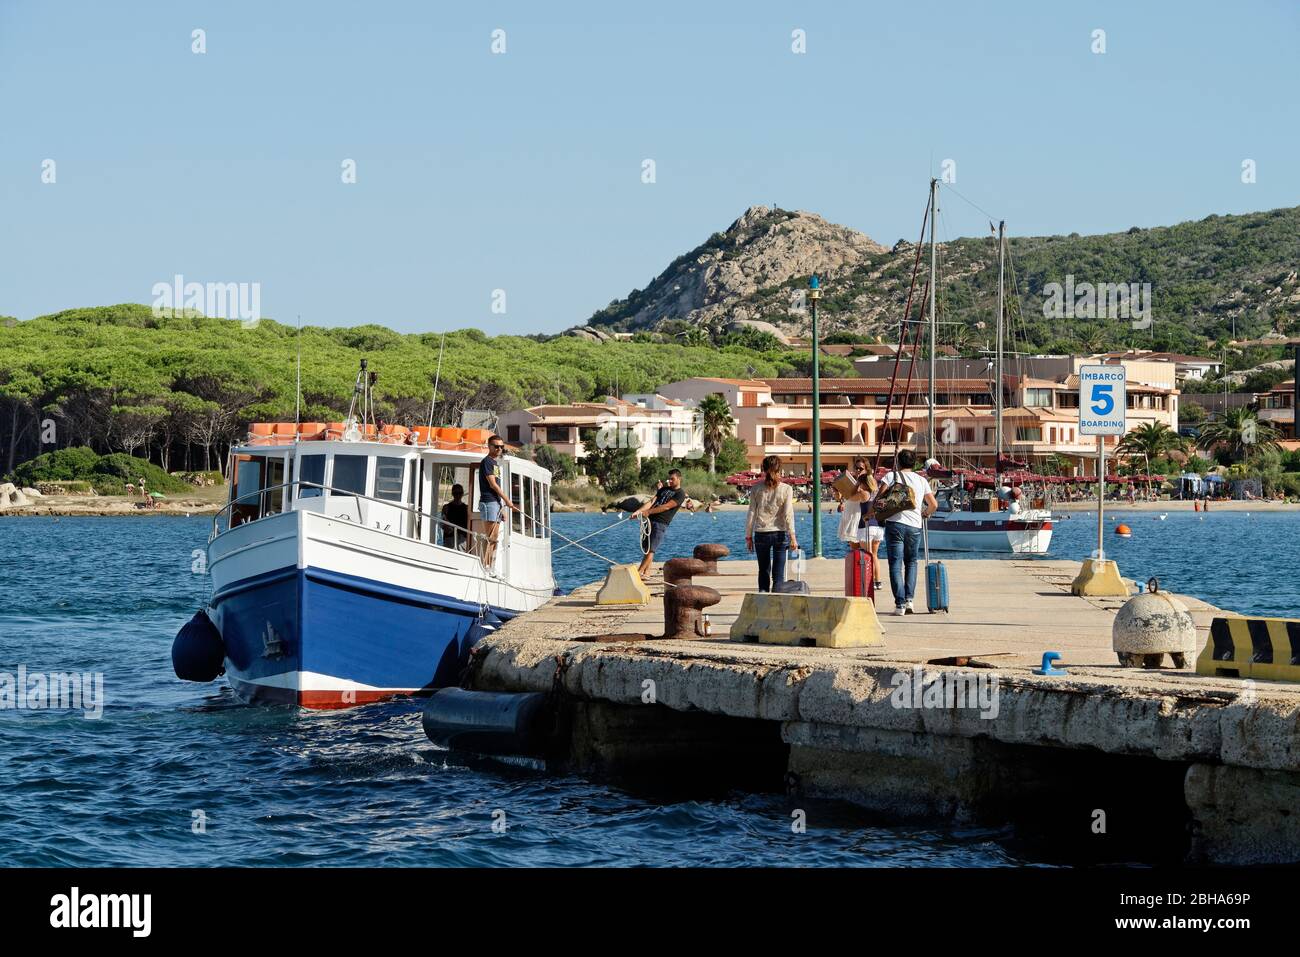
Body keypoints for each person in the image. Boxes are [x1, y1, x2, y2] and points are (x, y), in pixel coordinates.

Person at [871, 448, 937, 616]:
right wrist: (925, 514)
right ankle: (909, 601)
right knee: (912, 562)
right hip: (915, 525)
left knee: (895, 564)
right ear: (914, 463)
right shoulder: (922, 480)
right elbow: (933, 505)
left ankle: (899, 605)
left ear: (898, 462)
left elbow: (878, 500)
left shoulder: (891, 476)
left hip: (895, 524)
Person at [745, 455, 799, 592]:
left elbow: (751, 513)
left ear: (763, 469)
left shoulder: (756, 488)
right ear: (779, 469)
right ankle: (776, 605)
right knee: (778, 575)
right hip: (780, 534)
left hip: (761, 533)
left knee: (763, 571)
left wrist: (748, 536)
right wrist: (793, 537)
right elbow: (788, 515)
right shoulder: (786, 489)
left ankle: (762, 601)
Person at [634, 468, 686, 579]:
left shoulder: (680, 493)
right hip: (649, 521)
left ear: (679, 478)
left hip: (660, 523)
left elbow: (666, 506)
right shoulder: (664, 489)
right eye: (669, 479)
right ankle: (647, 573)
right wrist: (639, 511)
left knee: (651, 549)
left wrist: (648, 512)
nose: (670, 481)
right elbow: (653, 501)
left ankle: (638, 574)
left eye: (673, 479)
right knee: (647, 548)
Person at [478, 435, 517, 566]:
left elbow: (496, 487)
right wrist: (508, 501)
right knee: (491, 538)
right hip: (489, 503)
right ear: (489, 447)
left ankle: (490, 566)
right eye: (496, 446)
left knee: (494, 538)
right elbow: (493, 485)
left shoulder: (494, 463)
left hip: (495, 503)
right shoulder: (487, 462)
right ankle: (485, 566)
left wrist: (501, 506)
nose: (499, 449)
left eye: (501, 446)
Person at [440, 483, 470, 550]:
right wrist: (447, 528)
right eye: (456, 493)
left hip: (462, 539)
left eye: (460, 493)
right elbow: (442, 522)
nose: (458, 495)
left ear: (462, 494)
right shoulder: (446, 507)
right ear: (452, 493)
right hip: (450, 538)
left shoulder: (467, 508)